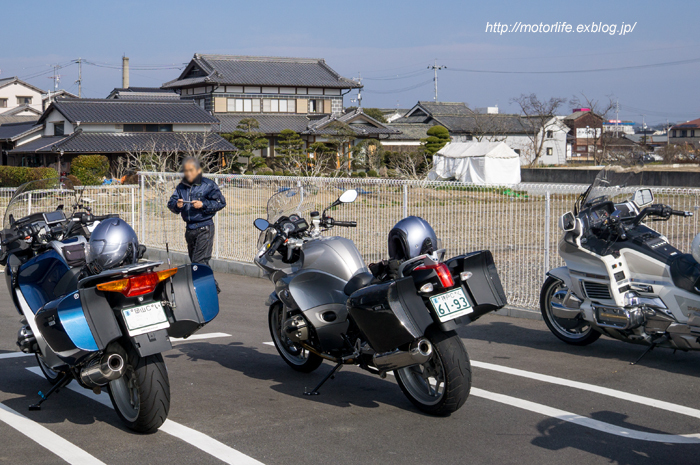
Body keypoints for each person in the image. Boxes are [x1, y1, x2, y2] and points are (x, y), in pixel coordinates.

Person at [167, 158, 226, 284]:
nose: (188, 173)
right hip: (190, 228)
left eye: (191, 170)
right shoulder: (181, 187)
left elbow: (220, 202)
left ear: (198, 171)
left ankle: (207, 288)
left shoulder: (208, 185)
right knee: (196, 261)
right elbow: (171, 203)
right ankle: (210, 286)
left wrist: (203, 204)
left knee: (199, 262)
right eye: (186, 171)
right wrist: (177, 205)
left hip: (204, 227)